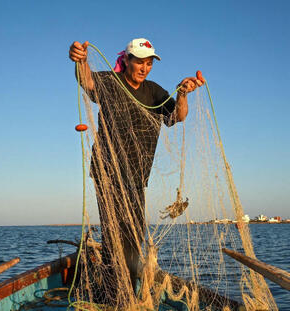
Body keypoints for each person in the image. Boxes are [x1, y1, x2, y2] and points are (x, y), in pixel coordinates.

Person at [68, 38, 203, 304]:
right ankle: (114, 297)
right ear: (127, 60)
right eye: (139, 61)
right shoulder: (111, 81)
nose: (144, 67)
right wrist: (80, 59)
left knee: (134, 235)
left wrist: (183, 93)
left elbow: (177, 116)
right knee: (114, 235)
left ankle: (123, 292)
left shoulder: (154, 92)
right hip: (107, 173)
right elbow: (87, 82)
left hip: (136, 178)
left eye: (149, 62)